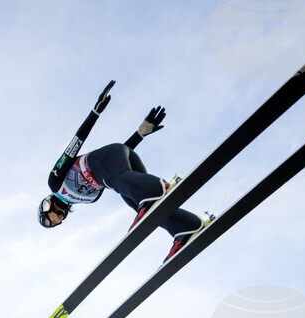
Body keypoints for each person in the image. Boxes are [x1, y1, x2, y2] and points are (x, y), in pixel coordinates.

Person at [37, 80, 207, 263]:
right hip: (124, 161)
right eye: (52, 225)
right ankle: (187, 229)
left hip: (104, 158)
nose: (54, 223)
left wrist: (95, 113)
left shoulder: (55, 184)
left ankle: (156, 189)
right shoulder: (89, 199)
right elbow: (117, 167)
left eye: (48, 221)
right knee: (140, 205)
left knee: (121, 184)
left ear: (46, 208)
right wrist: (140, 134)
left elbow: (74, 145)